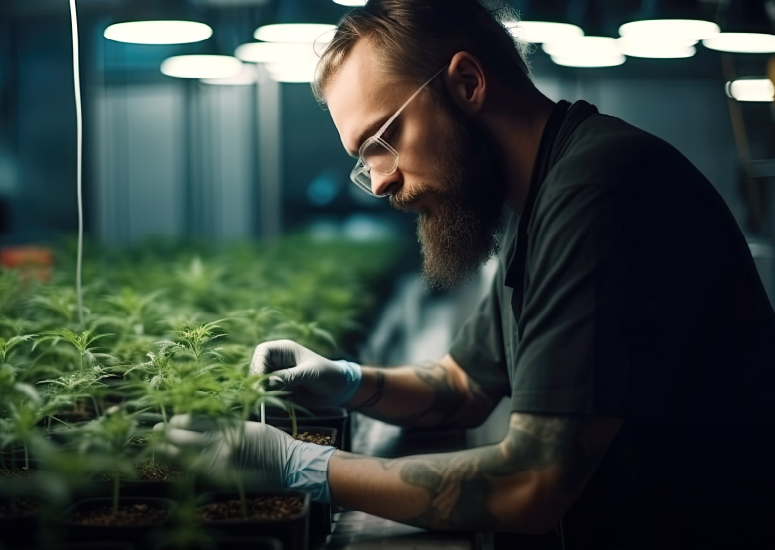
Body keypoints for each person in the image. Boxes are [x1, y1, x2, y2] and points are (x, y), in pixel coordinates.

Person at [162, 1, 775, 547]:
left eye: (384, 138)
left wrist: (303, 468)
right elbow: (464, 382)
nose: (378, 181)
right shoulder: (532, 198)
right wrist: (344, 381)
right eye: (363, 160)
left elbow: (530, 485)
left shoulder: (600, 189)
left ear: (467, 82)